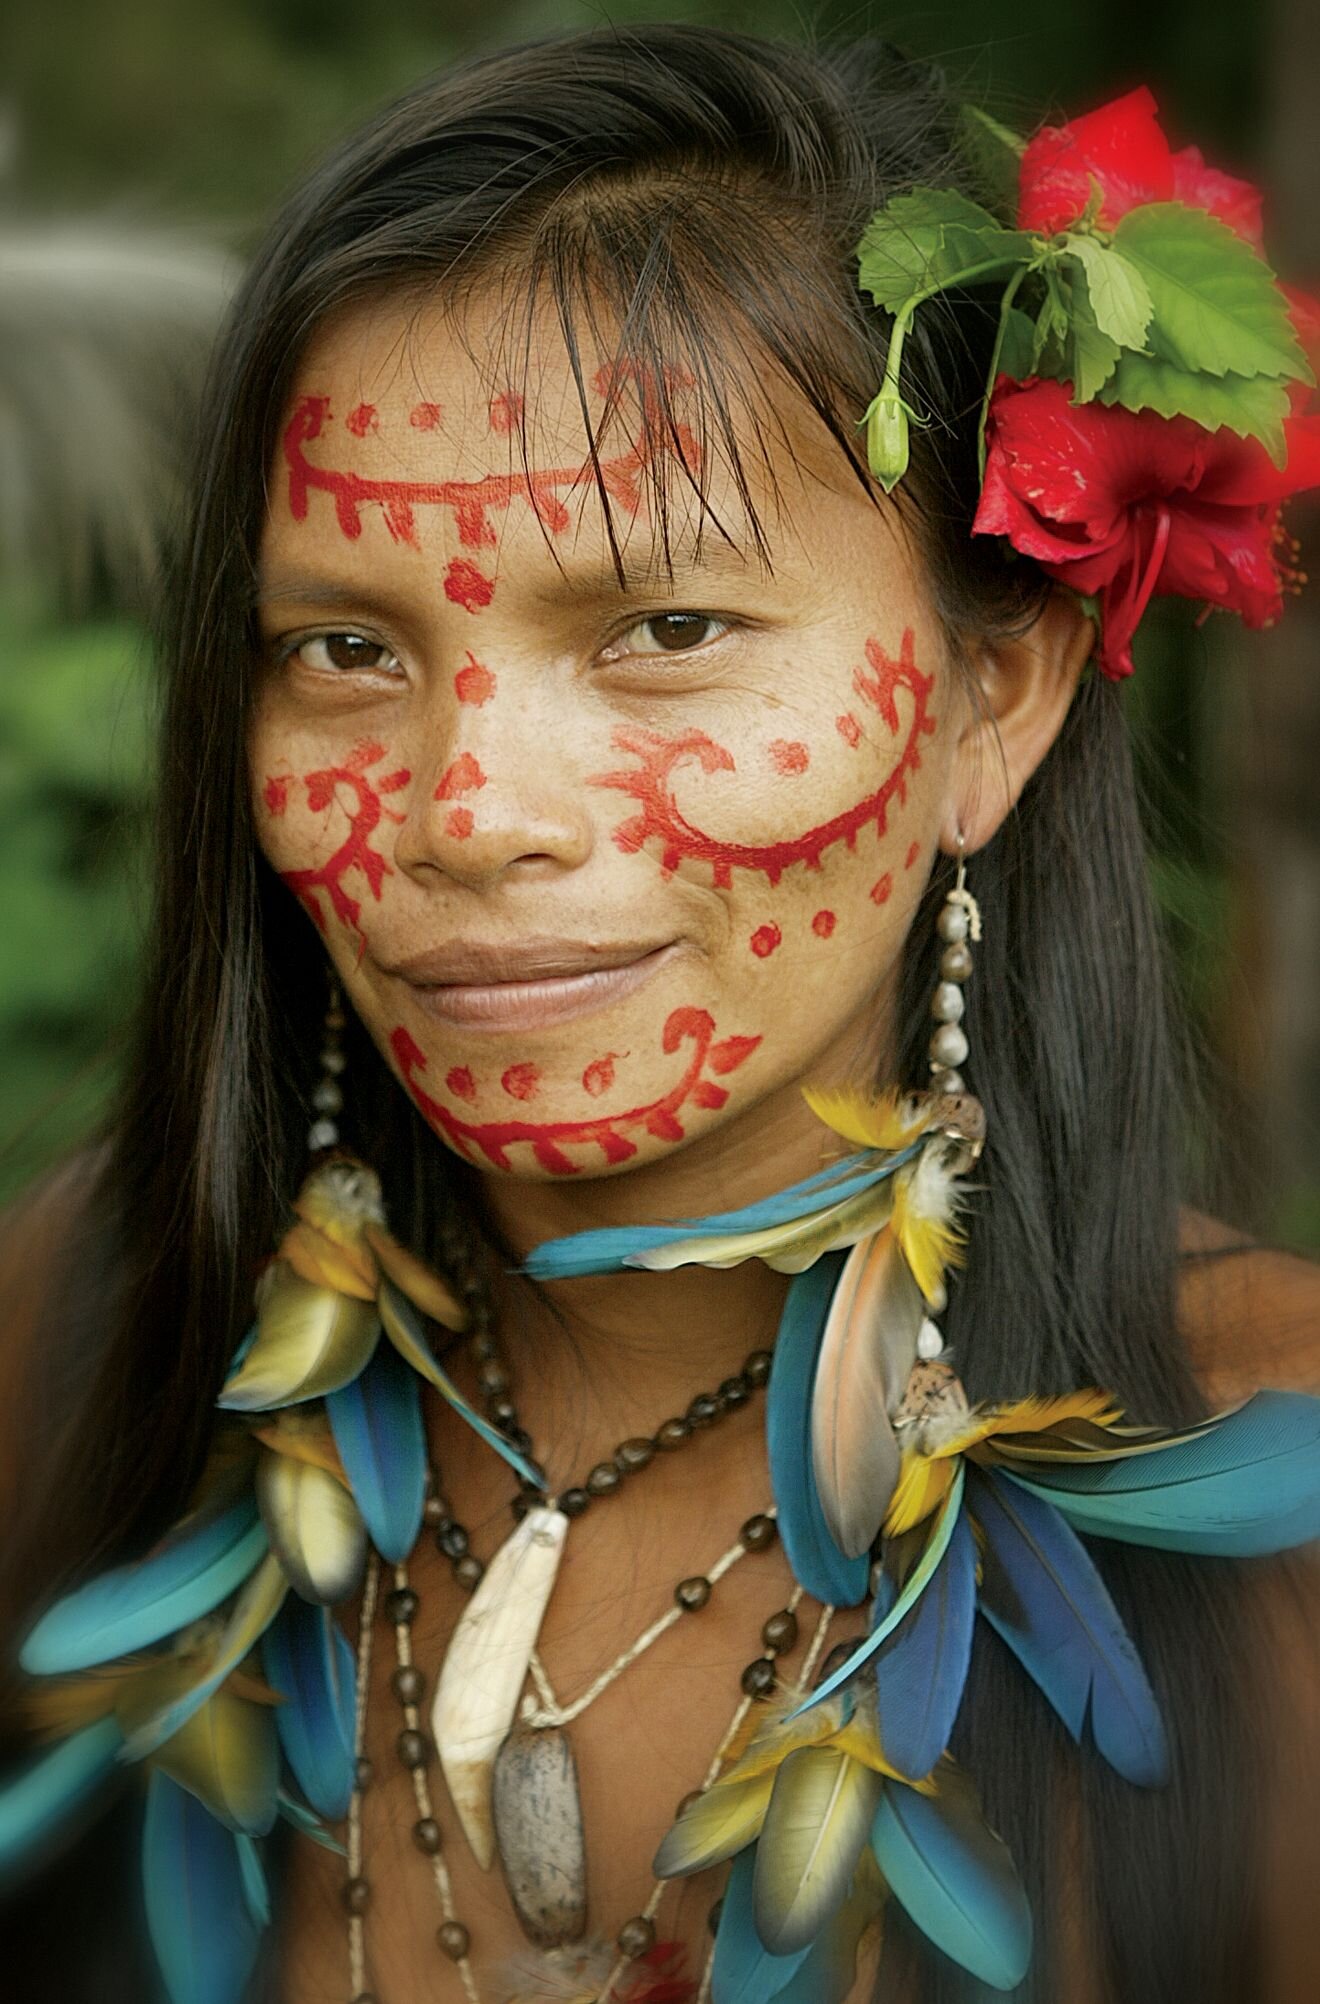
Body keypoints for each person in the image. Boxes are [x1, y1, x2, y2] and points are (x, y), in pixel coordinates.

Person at [2, 24, 1320, 2004]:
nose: (471, 817)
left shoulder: (1284, 1495)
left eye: (665, 633)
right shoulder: (81, 1330)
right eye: (346, 648)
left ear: (995, 700)